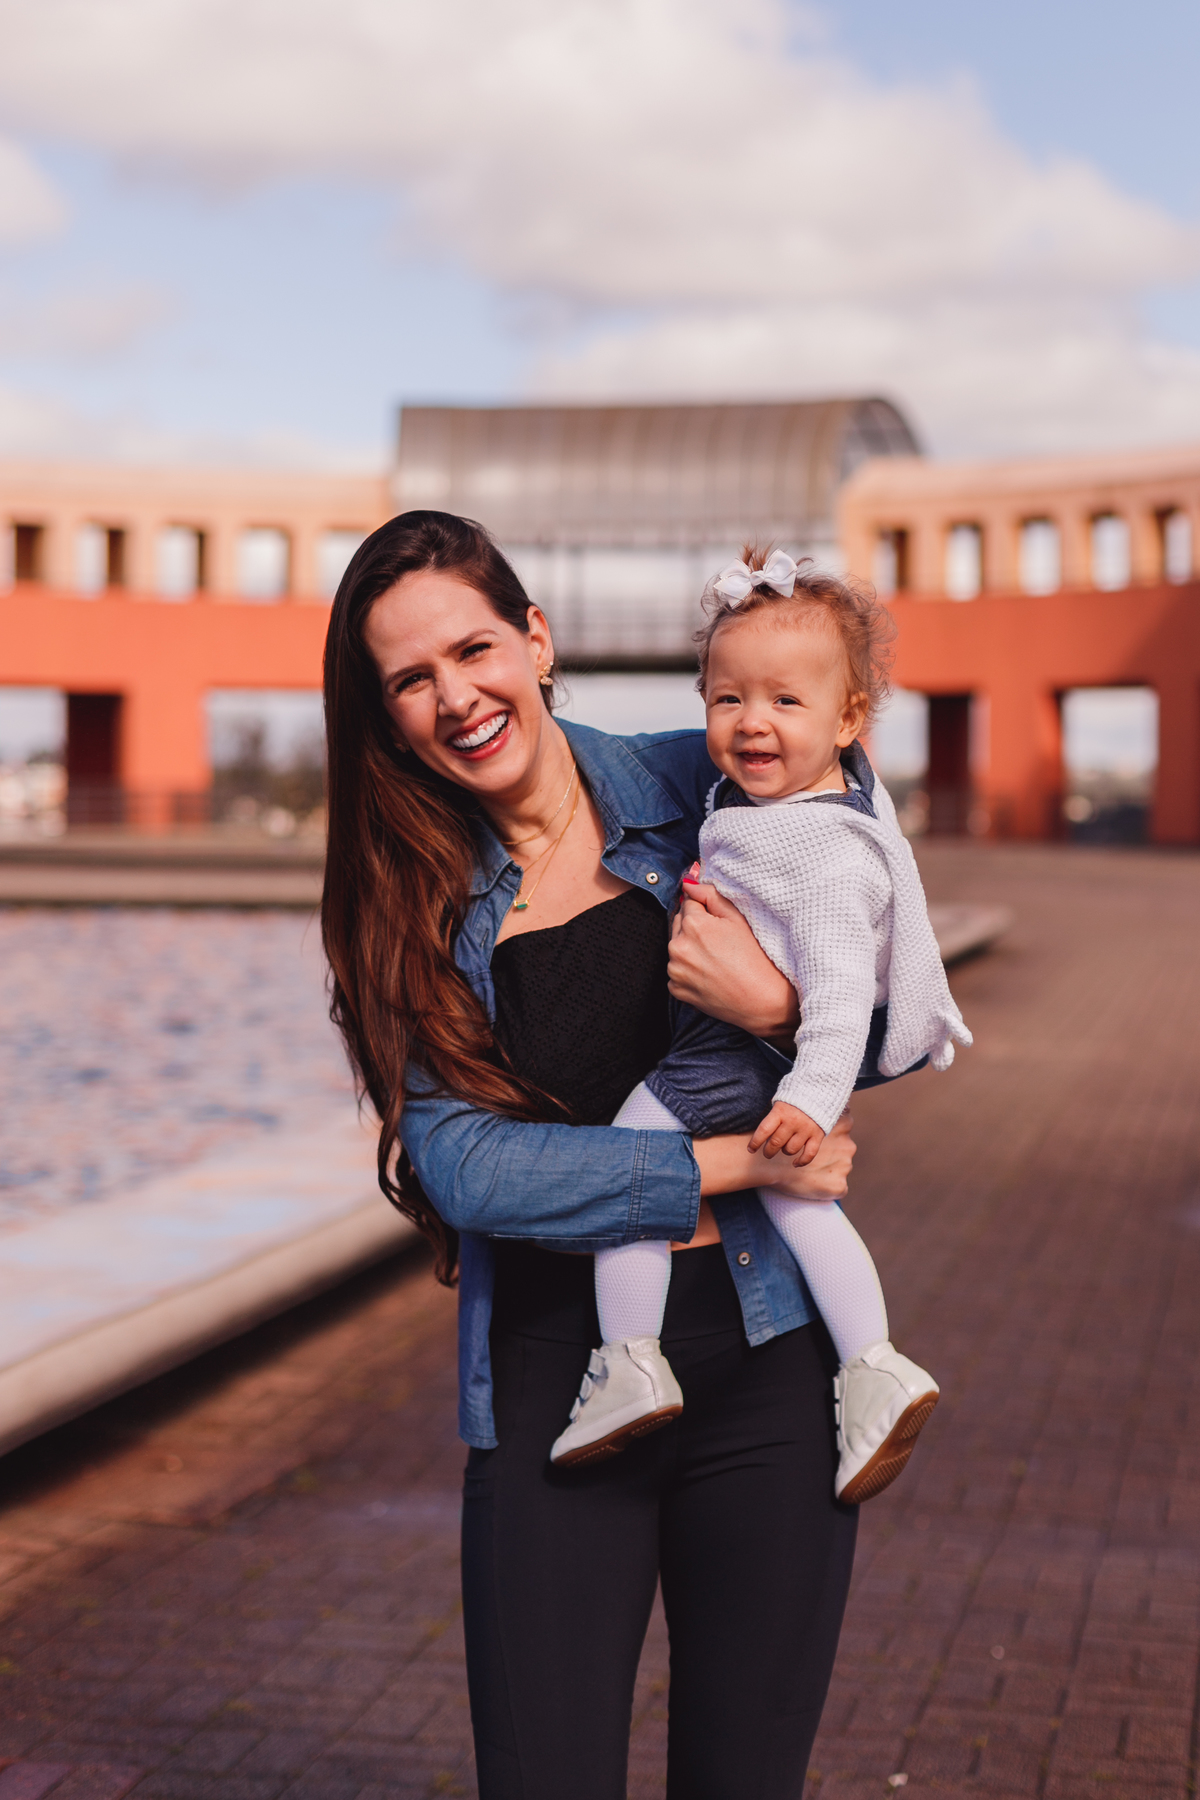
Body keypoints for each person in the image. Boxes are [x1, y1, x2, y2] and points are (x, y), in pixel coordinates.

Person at [322, 510, 862, 1800]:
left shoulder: (709, 779)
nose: (457, 697)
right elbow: (467, 1170)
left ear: (537, 639)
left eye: (473, 649)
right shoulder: (407, 900)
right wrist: (732, 1167)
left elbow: (887, 991)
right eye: (411, 678)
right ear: (387, 712)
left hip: (767, 1370)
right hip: (558, 1393)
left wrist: (781, 1013)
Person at [550, 549, 969, 1504]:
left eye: (786, 702)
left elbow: (833, 997)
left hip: (735, 1058)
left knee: (634, 1159)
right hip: (746, 1056)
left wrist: (811, 1100)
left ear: (847, 721)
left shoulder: (821, 852)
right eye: (727, 699)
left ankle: (628, 1360)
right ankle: (872, 1363)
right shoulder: (778, 806)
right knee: (797, 1203)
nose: (752, 724)